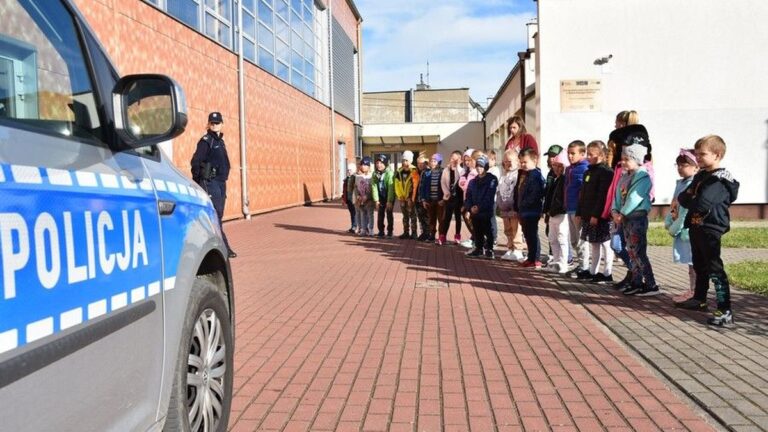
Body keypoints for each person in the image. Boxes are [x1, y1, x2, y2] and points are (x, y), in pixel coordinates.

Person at [676, 135, 739, 326]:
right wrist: (692, 197)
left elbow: (703, 203)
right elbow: (683, 198)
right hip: (696, 226)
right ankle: (699, 299)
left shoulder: (719, 180)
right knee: (699, 264)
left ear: (717, 155)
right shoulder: (701, 176)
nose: (698, 158)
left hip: (711, 227)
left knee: (714, 267)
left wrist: (693, 197)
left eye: (702, 154)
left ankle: (725, 309)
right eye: (696, 154)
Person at [611, 135, 659, 296]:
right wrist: (614, 211)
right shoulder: (625, 176)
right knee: (631, 251)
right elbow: (617, 195)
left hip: (636, 218)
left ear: (637, 159)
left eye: (626, 159)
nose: (623, 162)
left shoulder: (642, 176)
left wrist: (622, 213)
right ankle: (636, 282)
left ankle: (651, 284)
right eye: (622, 158)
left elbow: (634, 198)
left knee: (639, 252)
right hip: (624, 218)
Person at [190, 111, 236, 258]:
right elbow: (195, 162)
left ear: (222, 124)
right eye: (212, 123)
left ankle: (211, 245)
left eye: (217, 123)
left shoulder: (220, 142)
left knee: (218, 214)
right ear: (208, 124)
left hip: (221, 183)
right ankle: (224, 248)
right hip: (211, 182)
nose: (215, 125)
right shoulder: (206, 141)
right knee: (215, 215)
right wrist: (200, 181)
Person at [577, 141, 615, 283]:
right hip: (588, 213)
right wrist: (580, 212)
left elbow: (602, 196)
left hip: (600, 215)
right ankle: (593, 271)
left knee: (605, 243)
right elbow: (584, 193)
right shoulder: (588, 171)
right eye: (587, 154)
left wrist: (596, 215)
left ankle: (607, 273)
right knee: (594, 243)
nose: (588, 157)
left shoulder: (606, 172)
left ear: (601, 155)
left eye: (591, 155)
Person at [666, 149, 699, 302]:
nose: (680, 168)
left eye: (684, 165)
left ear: (696, 167)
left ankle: (696, 292)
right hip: (679, 227)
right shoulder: (680, 183)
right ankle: (692, 290)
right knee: (690, 264)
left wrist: (674, 227)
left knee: (694, 262)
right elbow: (675, 204)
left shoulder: (693, 184)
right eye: (678, 165)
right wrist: (668, 220)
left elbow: (685, 211)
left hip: (686, 230)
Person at [514, 149, 546, 269]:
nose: (522, 165)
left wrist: (524, 204)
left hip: (532, 211)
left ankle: (536, 258)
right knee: (527, 235)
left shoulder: (536, 175)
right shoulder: (525, 174)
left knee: (532, 234)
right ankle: (531, 257)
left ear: (534, 160)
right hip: (524, 211)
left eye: (525, 162)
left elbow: (535, 194)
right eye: (521, 162)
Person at [464, 155, 498, 259]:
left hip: (485, 210)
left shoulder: (491, 179)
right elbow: (468, 196)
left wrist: (479, 207)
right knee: (477, 230)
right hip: (475, 211)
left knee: (488, 230)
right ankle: (479, 248)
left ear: (486, 167)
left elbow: (489, 196)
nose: (479, 168)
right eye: (478, 166)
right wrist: (470, 207)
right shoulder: (472, 181)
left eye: (482, 166)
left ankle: (490, 249)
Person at [564, 140, 590, 276]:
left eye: (573, 153)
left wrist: (582, 209)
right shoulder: (569, 169)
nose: (570, 156)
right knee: (574, 240)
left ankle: (585, 267)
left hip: (578, 210)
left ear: (582, 153)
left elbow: (584, 191)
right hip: (570, 207)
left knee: (581, 239)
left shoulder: (585, 168)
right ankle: (580, 265)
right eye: (568, 153)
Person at [543, 150, 569, 273]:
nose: (557, 169)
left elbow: (562, 199)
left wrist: (555, 209)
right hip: (552, 213)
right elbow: (549, 197)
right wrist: (547, 211)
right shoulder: (555, 179)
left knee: (562, 238)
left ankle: (563, 263)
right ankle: (556, 260)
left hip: (561, 213)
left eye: (560, 166)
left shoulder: (565, 180)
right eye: (555, 166)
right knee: (552, 238)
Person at [497, 149, 526, 261]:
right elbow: (499, 191)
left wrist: (516, 207)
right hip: (505, 208)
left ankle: (518, 249)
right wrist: (500, 204)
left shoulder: (518, 175)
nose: (507, 164)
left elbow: (518, 192)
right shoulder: (504, 176)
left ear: (517, 161)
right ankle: (510, 248)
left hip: (514, 208)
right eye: (505, 162)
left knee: (516, 229)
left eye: (510, 161)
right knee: (507, 230)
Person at [439, 150, 464, 245]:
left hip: (458, 197)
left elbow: (461, 180)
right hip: (449, 197)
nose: (452, 160)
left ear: (459, 160)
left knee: (458, 217)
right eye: (451, 158)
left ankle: (457, 235)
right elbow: (443, 182)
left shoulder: (461, 170)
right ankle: (443, 236)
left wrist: (457, 166)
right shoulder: (446, 170)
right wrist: (446, 192)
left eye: (454, 158)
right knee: (447, 217)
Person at [394, 150, 420, 239]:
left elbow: (415, 186)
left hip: (410, 198)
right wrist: (399, 195)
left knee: (412, 215)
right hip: (402, 198)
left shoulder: (414, 171)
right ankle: (406, 232)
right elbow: (396, 184)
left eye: (407, 160)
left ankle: (414, 233)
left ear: (411, 161)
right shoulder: (399, 171)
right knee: (405, 216)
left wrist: (410, 198)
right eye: (403, 160)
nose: (405, 162)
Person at [419, 153, 445, 243]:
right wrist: (423, 199)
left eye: (435, 161)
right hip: (430, 200)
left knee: (441, 219)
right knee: (431, 219)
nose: (432, 163)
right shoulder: (427, 173)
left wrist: (444, 199)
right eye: (431, 161)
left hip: (440, 200)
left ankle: (441, 236)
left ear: (439, 162)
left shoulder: (443, 172)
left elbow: (446, 186)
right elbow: (423, 187)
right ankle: (432, 235)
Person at [458, 149, 480, 248]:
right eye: (465, 160)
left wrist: (464, 184)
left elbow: (470, 187)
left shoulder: (475, 172)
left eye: (469, 160)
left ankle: (478, 241)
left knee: (473, 221)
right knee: (469, 220)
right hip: (466, 199)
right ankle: (475, 239)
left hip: (473, 201)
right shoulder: (466, 171)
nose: (467, 162)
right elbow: (462, 184)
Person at [372, 154, 395, 237]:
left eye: (381, 163)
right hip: (380, 196)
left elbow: (391, 187)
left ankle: (390, 232)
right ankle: (381, 231)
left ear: (385, 164)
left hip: (389, 195)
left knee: (389, 213)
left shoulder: (390, 173)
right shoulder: (375, 174)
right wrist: (376, 200)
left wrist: (389, 201)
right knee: (380, 214)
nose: (379, 165)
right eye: (377, 163)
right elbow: (374, 187)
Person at [354, 157, 375, 236]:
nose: (363, 166)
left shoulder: (372, 176)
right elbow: (356, 187)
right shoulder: (358, 177)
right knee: (363, 214)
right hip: (361, 200)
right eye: (362, 164)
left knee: (370, 215)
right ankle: (363, 229)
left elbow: (373, 188)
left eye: (365, 165)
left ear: (369, 166)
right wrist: (358, 196)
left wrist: (368, 196)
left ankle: (371, 229)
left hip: (369, 200)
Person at [415, 155, 431, 241]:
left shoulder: (428, 172)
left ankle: (428, 234)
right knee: (420, 217)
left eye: (422, 163)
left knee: (426, 217)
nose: (420, 165)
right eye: (418, 163)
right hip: (417, 199)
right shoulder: (417, 172)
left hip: (425, 199)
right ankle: (423, 233)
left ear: (425, 163)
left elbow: (426, 187)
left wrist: (425, 198)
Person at [487, 150, 501, 245]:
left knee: (492, 218)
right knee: (488, 218)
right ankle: (489, 237)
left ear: (494, 160)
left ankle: (494, 237)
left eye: (489, 160)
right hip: (486, 199)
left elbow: (493, 185)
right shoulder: (488, 169)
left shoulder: (495, 170)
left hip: (492, 199)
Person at [341, 161, 358, 233]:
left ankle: (356, 226)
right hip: (348, 199)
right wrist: (343, 199)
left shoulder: (355, 177)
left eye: (350, 170)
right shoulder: (347, 179)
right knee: (352, 213)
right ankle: (353, 226)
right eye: (348, 170)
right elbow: (344, 190)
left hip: (354, 199)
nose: (348, 171)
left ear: (353, 170)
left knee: (355, 213)